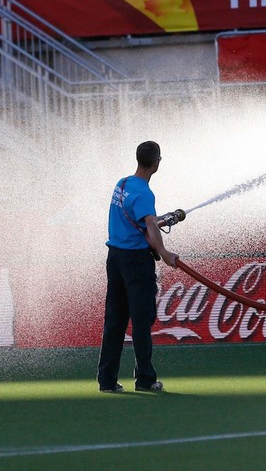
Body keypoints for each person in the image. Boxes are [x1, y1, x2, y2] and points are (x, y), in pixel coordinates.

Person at [98, 141, 180, 394]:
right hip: (136, 263)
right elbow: (150, 227)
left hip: (115, 259)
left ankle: (107, 381)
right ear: (157, 162)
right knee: (142, 321)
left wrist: (159, 221)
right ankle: (145, 379)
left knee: (115, 320)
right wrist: (165, 253)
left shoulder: (122, 184)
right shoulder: (145, 193)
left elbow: (139, 221)